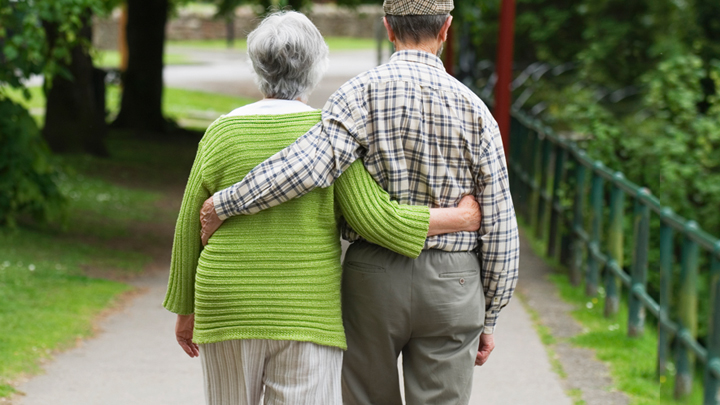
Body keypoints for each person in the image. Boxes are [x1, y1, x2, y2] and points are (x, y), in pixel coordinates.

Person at [200, 1, 520, 403]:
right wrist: (491, 313)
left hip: (374, 276)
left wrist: (225, 203)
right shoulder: (476, 110)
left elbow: (304, 166)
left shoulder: (358, 94)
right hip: (453, 283)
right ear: (445, 29)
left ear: (388, 27)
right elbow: (500, 223)